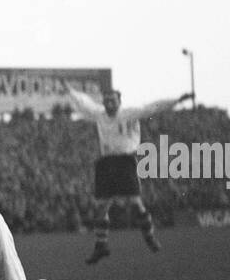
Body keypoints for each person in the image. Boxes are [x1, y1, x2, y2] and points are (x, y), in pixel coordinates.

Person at [65, 83, 192, 263]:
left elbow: (154, 107)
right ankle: (102, 245)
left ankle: (150, 237)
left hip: (125, 161)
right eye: (107, 99)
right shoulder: (99, 114)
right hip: (106, 161)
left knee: (135, 202)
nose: (109, 102)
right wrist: (70, 91)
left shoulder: (129, 114)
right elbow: (84, 102)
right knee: (102, 206)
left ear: (119, 101)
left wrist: (177, 100)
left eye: (112, 99)